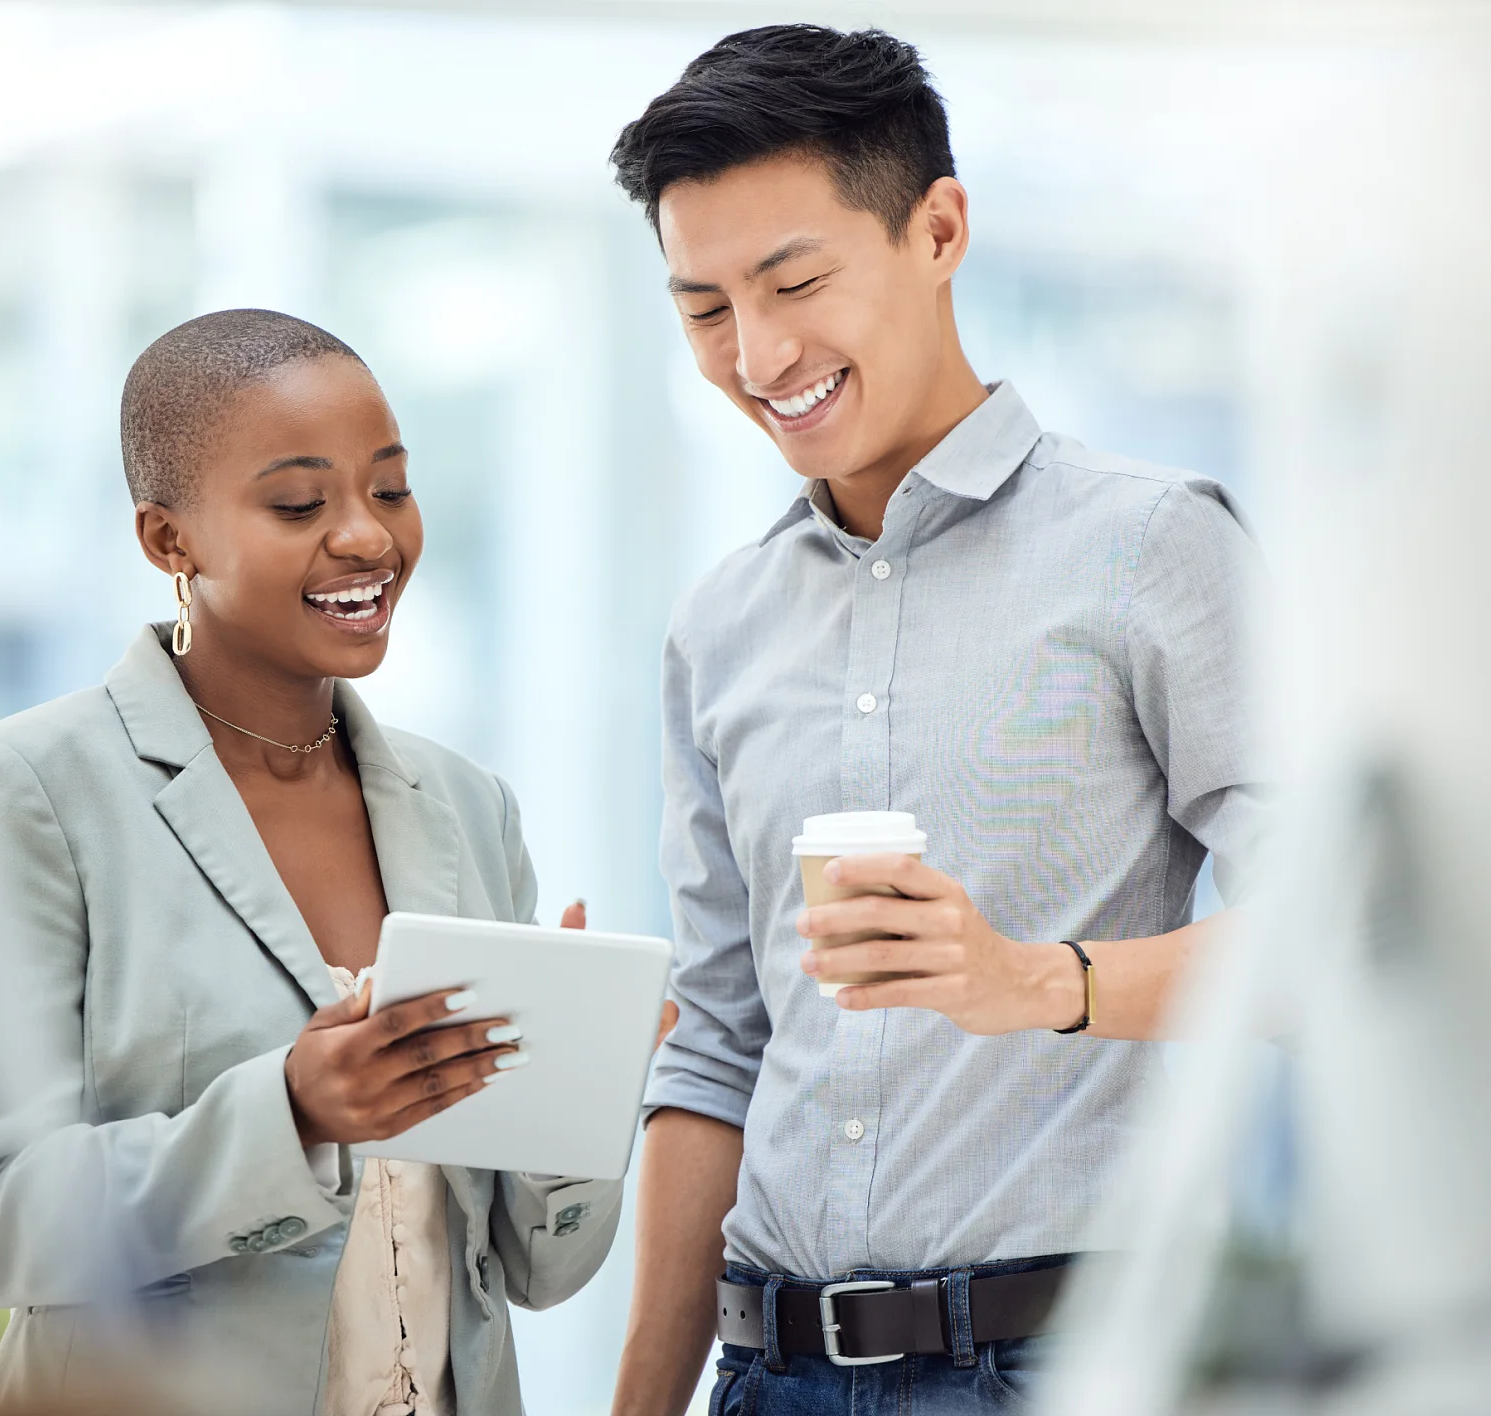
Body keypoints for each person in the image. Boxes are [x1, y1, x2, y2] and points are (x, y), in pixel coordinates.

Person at [606, 25, 1263, 1416]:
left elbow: (1327, 941)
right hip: (761, 1372)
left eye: (796, 281)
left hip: (1044, 1367)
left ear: (940, 228)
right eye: (705, 307)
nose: (759, 352)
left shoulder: (1154, 544)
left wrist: (1036, 981)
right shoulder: (721, 622)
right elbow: (718, 1044)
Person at [0, 309, 622, 1415]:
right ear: (167, 540)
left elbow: (541, 1272)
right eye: (300, 504)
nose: (367, 538)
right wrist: (292, 1113)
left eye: (389, 489)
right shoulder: (23, 793)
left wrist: (578, 1086)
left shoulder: (470, 807)